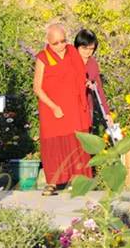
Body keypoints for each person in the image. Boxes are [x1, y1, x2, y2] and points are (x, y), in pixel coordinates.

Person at [33, 23, 93, 195]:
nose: (60, 46)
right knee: (53, 144)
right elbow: (37, 87)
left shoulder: (72, 52)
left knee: (75, 142)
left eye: (63, 41)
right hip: (52, 109)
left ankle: (78, 180)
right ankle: (52, 182)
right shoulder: (43, 58)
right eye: (55, 43)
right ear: (48, 42)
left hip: (73, 107)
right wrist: (53, 107)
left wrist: (86, 82)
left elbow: (81, 71)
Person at [74, 29, 111, 129]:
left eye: (91, 49)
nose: (87, 52)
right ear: (77, 46)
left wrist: (107, 113)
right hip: (72, 107)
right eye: (84, 48)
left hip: (87, 107)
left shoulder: (93, 64)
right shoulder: (70, 62)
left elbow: (99, 90)